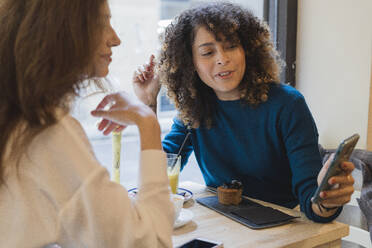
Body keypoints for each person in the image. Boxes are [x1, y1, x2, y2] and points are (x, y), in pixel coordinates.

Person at [129, 2, 355, 222]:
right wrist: (148, 105)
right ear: (191, 63)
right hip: (226, 224)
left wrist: (327, 200)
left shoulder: (288, 105)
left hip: (281, 228)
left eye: (231, 46)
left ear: (247, 49)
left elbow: (312, 203)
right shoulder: (194, 110)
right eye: (207, 52)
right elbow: (157, 174)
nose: (222, 59)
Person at [0, 0, 173, 247]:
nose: (115, 39)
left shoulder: (13, 116)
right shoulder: (47, 133)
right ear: (60, 30)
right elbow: (153, 241)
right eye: (102, 22)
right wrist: (147, 122)